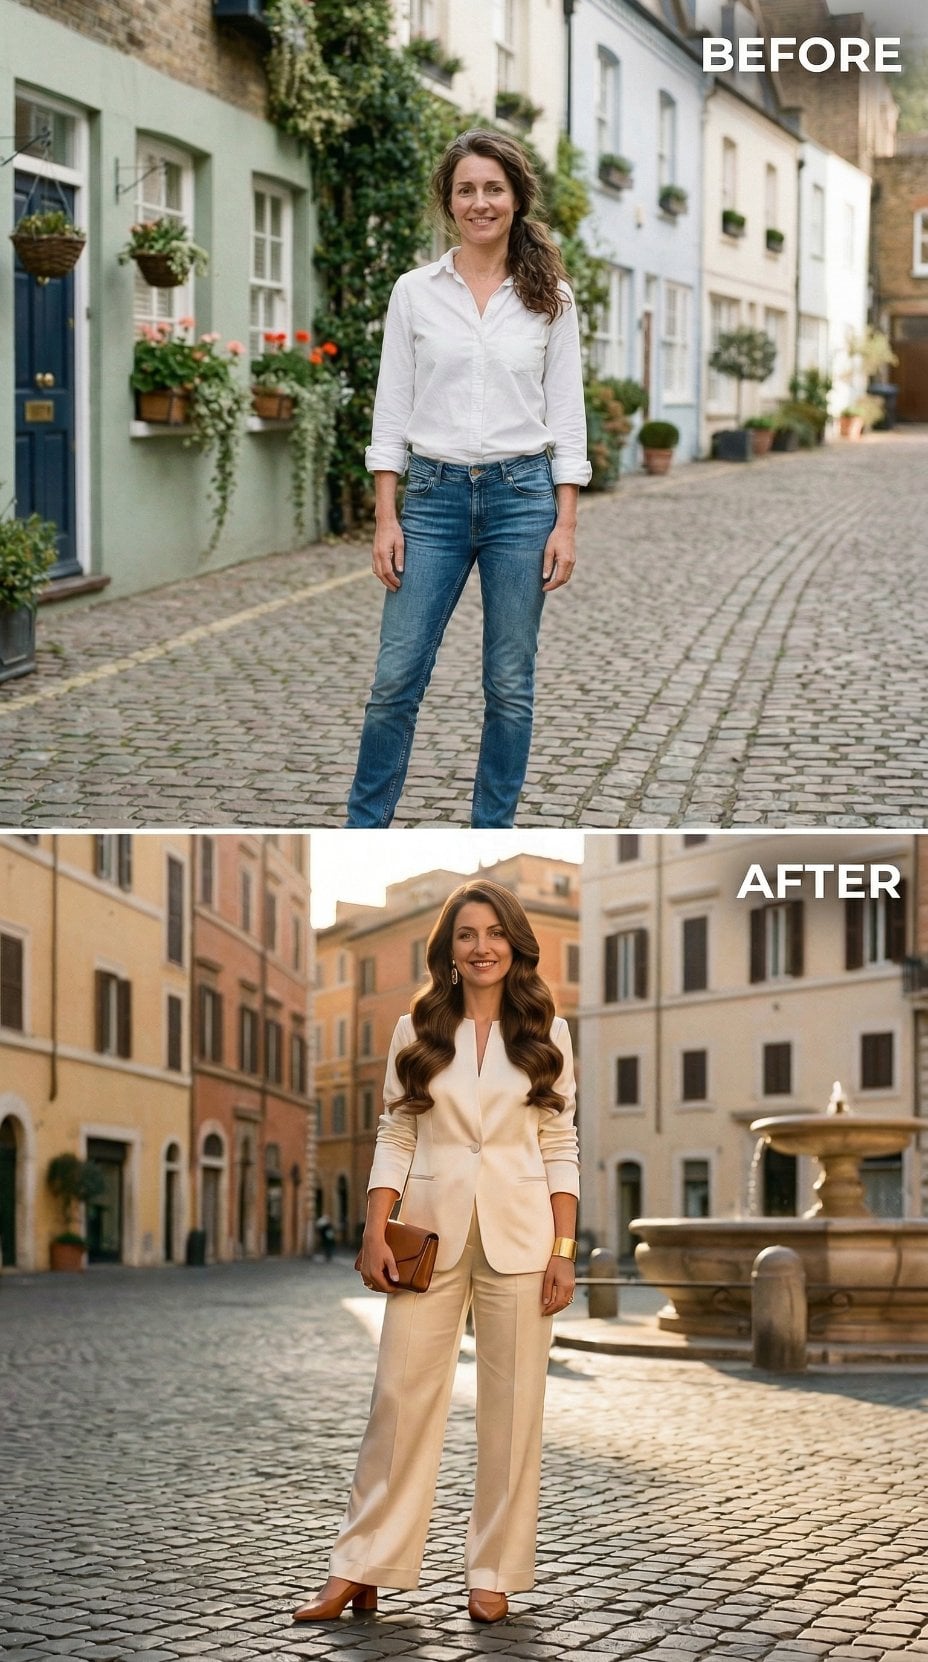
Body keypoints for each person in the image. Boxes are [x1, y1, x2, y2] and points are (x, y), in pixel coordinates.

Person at [293, 879, 580, 1625]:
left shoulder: (549, 1033)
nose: (481, 946)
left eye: (493, 933)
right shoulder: (413, 1029)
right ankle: (361, 1566)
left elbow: (559, 1143)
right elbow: (397, 1131)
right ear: (448, 951)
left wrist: (563, 1248)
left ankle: (495, 1569)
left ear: (514, 944)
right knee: (398, 1401)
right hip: (425, 1235)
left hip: (521, 1240)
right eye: (466, 934)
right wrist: (373, 1227)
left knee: (513, 1414)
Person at [345, 128, 591, 830]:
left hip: (522, 501)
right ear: (448, 203)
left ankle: (493, 825)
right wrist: (385, 516)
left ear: (515, 198)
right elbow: (391, 409)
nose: (479, 202)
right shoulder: (415, 293)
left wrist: (565, 522)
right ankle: (364, 828)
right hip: (430, 501)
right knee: (395, 680)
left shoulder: (552, 298)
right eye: (466, 190)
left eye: (493, 188)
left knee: (509, 686)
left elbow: (567, 417)